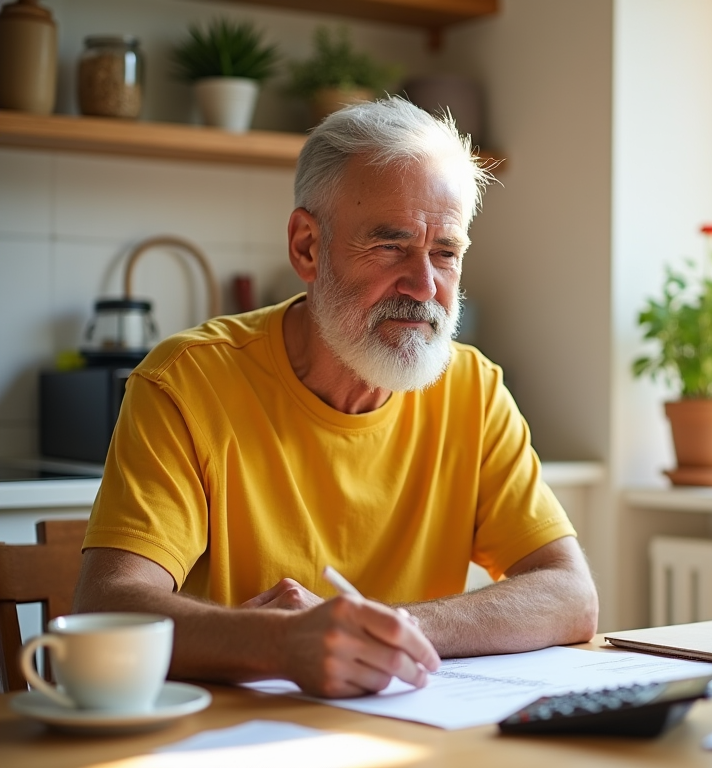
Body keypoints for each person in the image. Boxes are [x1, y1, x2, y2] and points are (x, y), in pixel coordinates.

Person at [73, 97, 599, 699]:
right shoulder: (185, 382)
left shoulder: (473, 388)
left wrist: (388, 629)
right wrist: (277, 643)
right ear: (306, 247)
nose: (424, 285)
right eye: (389, 245)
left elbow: (570, 594)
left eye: (445, 252)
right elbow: (106, 607)